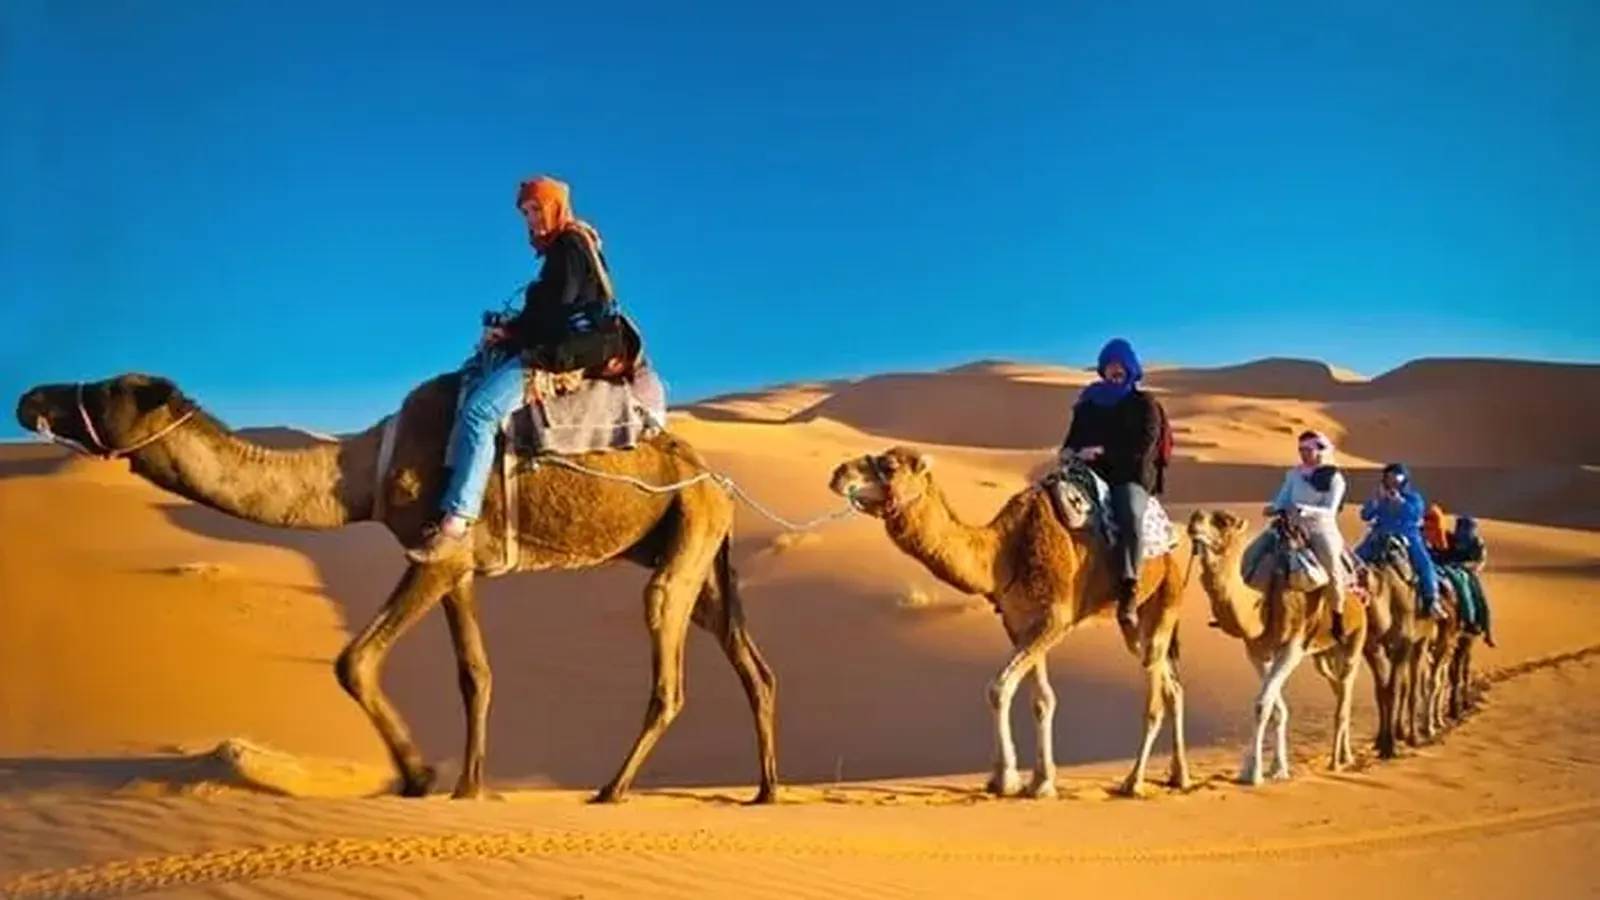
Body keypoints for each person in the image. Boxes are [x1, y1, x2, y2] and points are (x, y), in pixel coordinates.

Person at [407, 175, 632, 564]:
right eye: (526, 213)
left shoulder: (570, 246)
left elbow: (556, 311)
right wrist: (510, 330)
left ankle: (458, 520)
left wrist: (512, 333)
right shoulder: (567, 248)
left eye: (536, 209)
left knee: (480, 411)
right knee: (477, 371)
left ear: (555, 207)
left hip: (564, 353)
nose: (531, 219)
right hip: (558, 342)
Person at [1058, 337, 1170, 630]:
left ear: (1131, 369)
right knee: (1049, 502)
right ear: (1103, 370)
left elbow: (1144, 445)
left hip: (1128, 474)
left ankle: (1129, 588)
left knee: (1128, 514)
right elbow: (1071, 441)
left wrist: (1104, 452)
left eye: (1120, 366)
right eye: (1110, 366)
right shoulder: (1088, 403)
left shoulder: (1144, 404)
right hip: (1086, 472)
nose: (1115, 371)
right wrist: (1070, 452)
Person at [1259, 429, 1350, 627]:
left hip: (1321, 529)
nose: (1303, 453)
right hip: (1291, 526)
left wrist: (1305, 510)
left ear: (1320, 450)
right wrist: (1274, 508)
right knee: (1257, 554)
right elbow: (1283, 498)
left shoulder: (1335, 479)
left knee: (1333, 568)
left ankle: (1338, 616)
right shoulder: (1294, 474)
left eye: (1308, 449)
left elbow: (1330, 510)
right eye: (1300, 449)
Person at [1354, 462, 1445, 619]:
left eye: (1396, 477)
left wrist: (1399, 502)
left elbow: (1415, 514)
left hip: (1408, 537)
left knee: (1424, 564)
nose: (1392, 481)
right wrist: (1376, 501)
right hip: (1379, 535)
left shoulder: (1413, 498)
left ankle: (1432, 601)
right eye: (1388, 477)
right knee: (1354, 559)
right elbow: (1365, 515)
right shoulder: (1379, 497)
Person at [1444, 515, 1496, 647]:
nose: (1461, 530)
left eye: (1465, 528)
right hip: (1449, 568)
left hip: (1469, 573)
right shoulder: (1450, 539)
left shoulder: (1477, 543)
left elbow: (1479, 562)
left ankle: (1485, 631)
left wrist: (1465, 566)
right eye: (1460, 527)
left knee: (1480, 600)